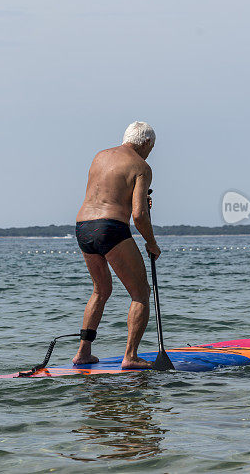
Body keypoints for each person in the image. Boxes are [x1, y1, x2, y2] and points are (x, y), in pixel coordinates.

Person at [73, 121, 161, 369]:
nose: (150, 152)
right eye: (151, 147)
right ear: (145, 143)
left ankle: (83, 353)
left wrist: (140, 198)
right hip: (110, 228)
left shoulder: (99, 156)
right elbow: (139, 215)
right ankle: (131, 357)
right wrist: (152, 243)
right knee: (141, 293)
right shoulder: (141, 166)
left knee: (101, 290)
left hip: (83, 226)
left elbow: (105, 193)